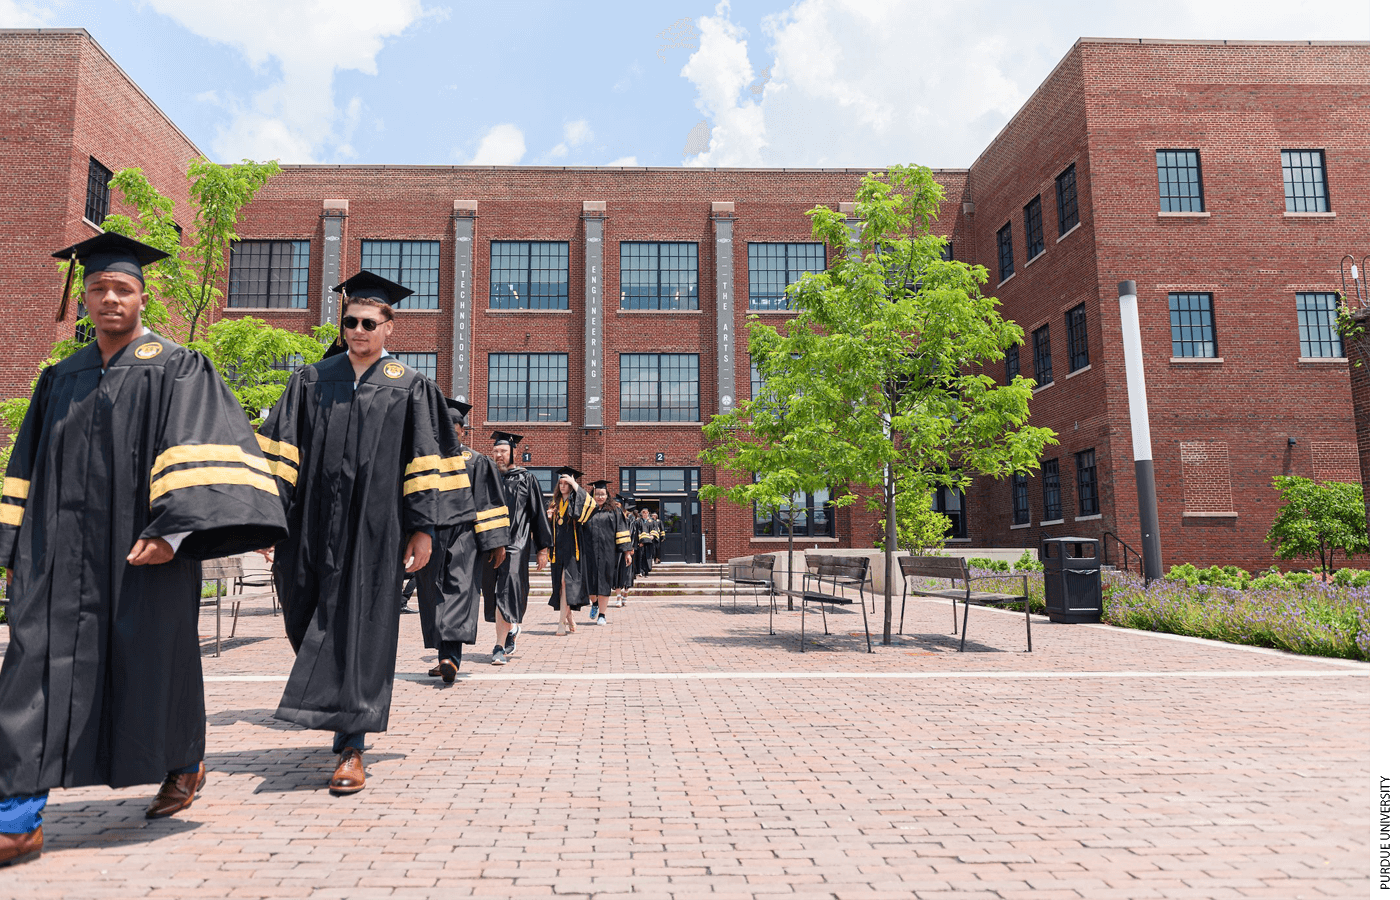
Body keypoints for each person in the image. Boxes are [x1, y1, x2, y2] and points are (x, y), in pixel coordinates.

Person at [0, 233, 288, 867]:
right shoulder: (60, 379)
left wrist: (172, 532)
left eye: (121, 288)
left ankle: (184, 762)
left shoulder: (178, 366)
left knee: (157, 664)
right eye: (98, 288)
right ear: (81, 296)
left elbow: (203, 450)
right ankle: (18, 818)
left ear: (142, 294)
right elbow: (24, 469)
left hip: (144, 552)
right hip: (57, 556)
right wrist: (14, 548)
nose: (108, 298)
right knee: (30, 670)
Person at [257, 270, 476, 795]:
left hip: (376, 532)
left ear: (389, 327)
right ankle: (339, 707)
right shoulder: (310, 380)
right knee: (303, 614)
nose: (358, 330)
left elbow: (428, 461)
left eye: (369, 322)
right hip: (307, 527)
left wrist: (422, 530)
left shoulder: (411, 388)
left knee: (361, 628)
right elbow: (281, 454)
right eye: (351, 321)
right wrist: (267, 520)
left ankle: (352, 741)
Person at [416, 399, 508, 682]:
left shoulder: (477, 461)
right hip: (430, 535)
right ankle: (445, 655)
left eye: (452, 429)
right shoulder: (423, 460)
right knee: (433, 594)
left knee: (457, 592)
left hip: (464, 536)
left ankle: (450, 658)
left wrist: (496, 542)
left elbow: (489, 503)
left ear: (461, 432)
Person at [480, 432, 550, 664]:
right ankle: (509, 631)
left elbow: (538, 513)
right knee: (492, 591)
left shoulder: (526, 479)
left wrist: (543, 548)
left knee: (507, 590)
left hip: (516, 543)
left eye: (504, 451)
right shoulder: (487, 478)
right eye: (496, 451)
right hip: (490, 544)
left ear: (513, 453)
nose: (499, 455)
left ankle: (499, 646)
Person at [546, 467, 594, 635]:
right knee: (559, 586)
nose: (563, 486)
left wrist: (575, 484)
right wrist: (549, 519)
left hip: (573, 551)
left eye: (566, 483)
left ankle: (561, 623)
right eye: (561, 483)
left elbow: (590, 505)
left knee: (566, 583)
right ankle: (570, 618)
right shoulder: (553, 504)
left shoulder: (576, 501)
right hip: (557, 550)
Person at [582, 481, 632, 626]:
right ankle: (595, 604)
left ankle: (602, 615)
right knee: (590, 584)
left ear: (607, 495)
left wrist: (627, 552)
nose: (600, 497)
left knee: (604, 583)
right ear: (593, 495)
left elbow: (622, 531)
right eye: (597, 494)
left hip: (608, 553)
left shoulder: (615, 511)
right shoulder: (586, 510)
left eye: (602, 494)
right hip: (589, 552)